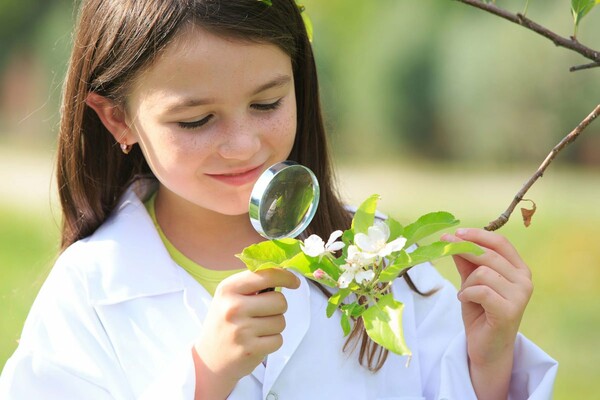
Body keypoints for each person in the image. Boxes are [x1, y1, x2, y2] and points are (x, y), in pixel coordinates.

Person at [0, 0, 557, 399]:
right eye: (195, 120)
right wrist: (204, 377)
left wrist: (488, 361)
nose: (244, 145)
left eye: (267, 103)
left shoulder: (374, 256)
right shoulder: (90, 291)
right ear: (118, 118)